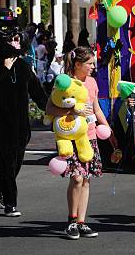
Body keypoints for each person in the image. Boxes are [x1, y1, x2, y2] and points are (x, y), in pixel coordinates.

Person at [0, 8, 48, 216]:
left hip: (20, 125)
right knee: (6, 162)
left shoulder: (23, 66)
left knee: (15, 162)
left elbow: (38, 93)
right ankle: (11, 203)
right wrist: (4, 69)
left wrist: (53, 109)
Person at [45, 46, 116, 240]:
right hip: (70, 136)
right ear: (78, 65)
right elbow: (50, 107)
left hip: (90, 136)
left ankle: (82, 222)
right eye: (90, 63)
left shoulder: (92, 82)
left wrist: (108, 129)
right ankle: (72, 220)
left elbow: (96, 109)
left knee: (85, 179)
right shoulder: (64, 82)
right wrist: (72, 112)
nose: (93, 66)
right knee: (76, 178)